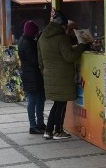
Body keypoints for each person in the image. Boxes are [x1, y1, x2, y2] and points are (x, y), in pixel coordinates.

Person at [38, 9, 88, 140]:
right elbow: (70, 56)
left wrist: (45, 72)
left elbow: (40, 59)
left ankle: (48, 130)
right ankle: (58, 131)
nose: (66, 29)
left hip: (49, 74)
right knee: (61, 104)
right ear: (62, 25)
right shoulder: (61, 38)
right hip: (62, 76)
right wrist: (82, 46)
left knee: (57, 103)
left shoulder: (42, 37)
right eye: (66, 27)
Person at [17, 20, 46, 135]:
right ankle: (33, 126)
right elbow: (34, 61)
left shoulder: (25, 40)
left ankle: (39, 123)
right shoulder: (28, 44)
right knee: (34, 101)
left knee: (39, 100)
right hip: (32, 77)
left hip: (32, 76)